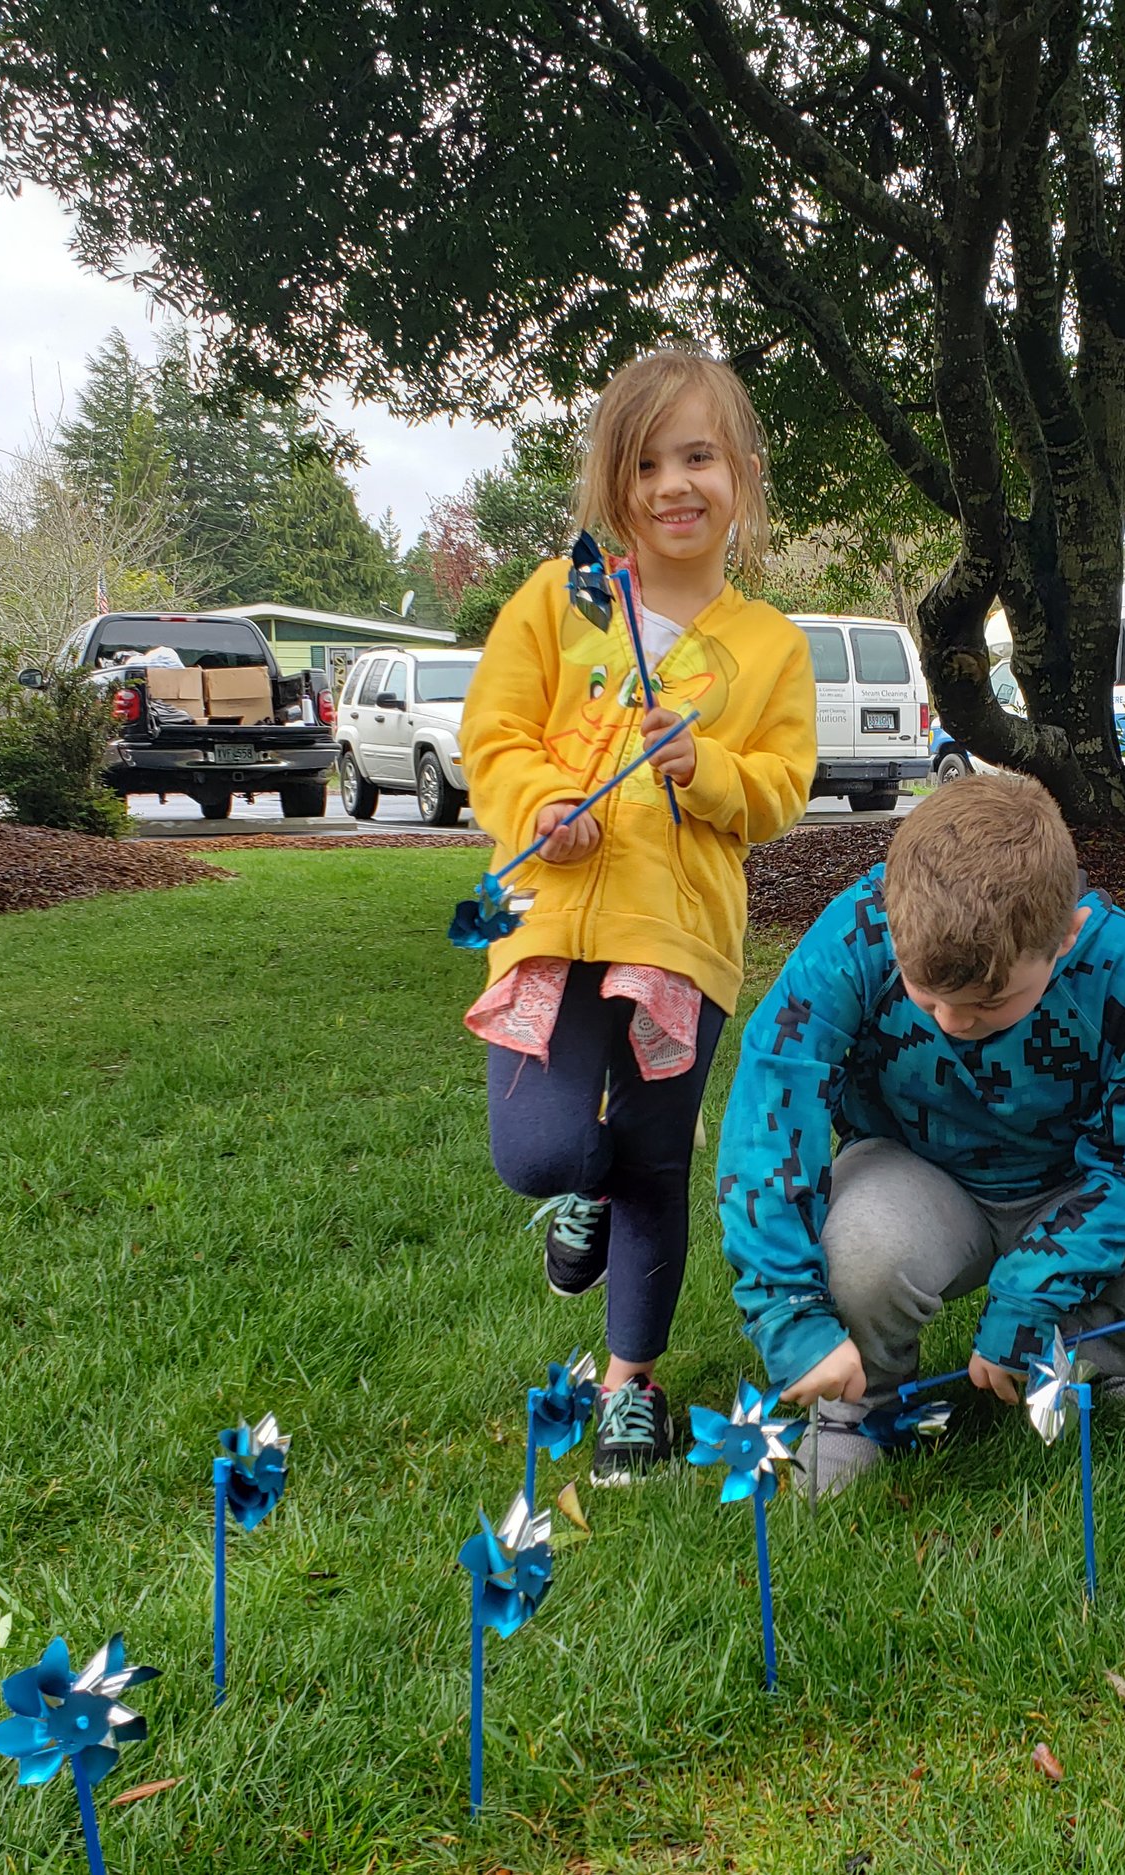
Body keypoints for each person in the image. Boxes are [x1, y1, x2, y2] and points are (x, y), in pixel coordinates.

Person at [715, 775, 1125, 1498]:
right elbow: (773, 1105)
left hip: (1078, 1187)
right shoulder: (859, 929)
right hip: (919, 1177)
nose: (953, 1021)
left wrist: (1032, 1292)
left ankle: (1078, 1352)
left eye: (988, 1003)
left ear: (1067, 936)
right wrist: (788, 1308)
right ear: (894, 917)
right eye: (929, 996)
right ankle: (862, 1401)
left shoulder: (1122, 965)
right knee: (862, 1250)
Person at [460, 349, 818, 1486]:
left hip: (681, 937)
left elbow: (778, 792)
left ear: (743, 476)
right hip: (553, 923)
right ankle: (578, 1196)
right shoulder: (558, 603)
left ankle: (632, 1383)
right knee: (544, 1151)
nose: (676, 483)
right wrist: (539, 803)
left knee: (657, 1161)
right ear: (615, 488)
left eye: (700, 457)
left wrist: (701, 764)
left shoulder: (771, 647)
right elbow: (493, 737)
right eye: (648, 461)